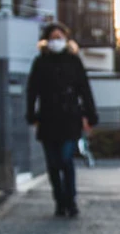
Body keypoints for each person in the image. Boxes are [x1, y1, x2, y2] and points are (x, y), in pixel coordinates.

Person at [26, 23, 98, 217]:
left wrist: (89, 115)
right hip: (47, 119)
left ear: (66, 40)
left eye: (59, 37)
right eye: (52, 37)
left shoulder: (74, 61)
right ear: (46, 40)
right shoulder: (40, 62)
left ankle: (70, 200)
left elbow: (84, 89)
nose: (56, 41)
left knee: (66, 160)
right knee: (52, 164)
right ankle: (59, 200)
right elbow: (32, 91)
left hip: (69, 119)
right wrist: (32, 116)